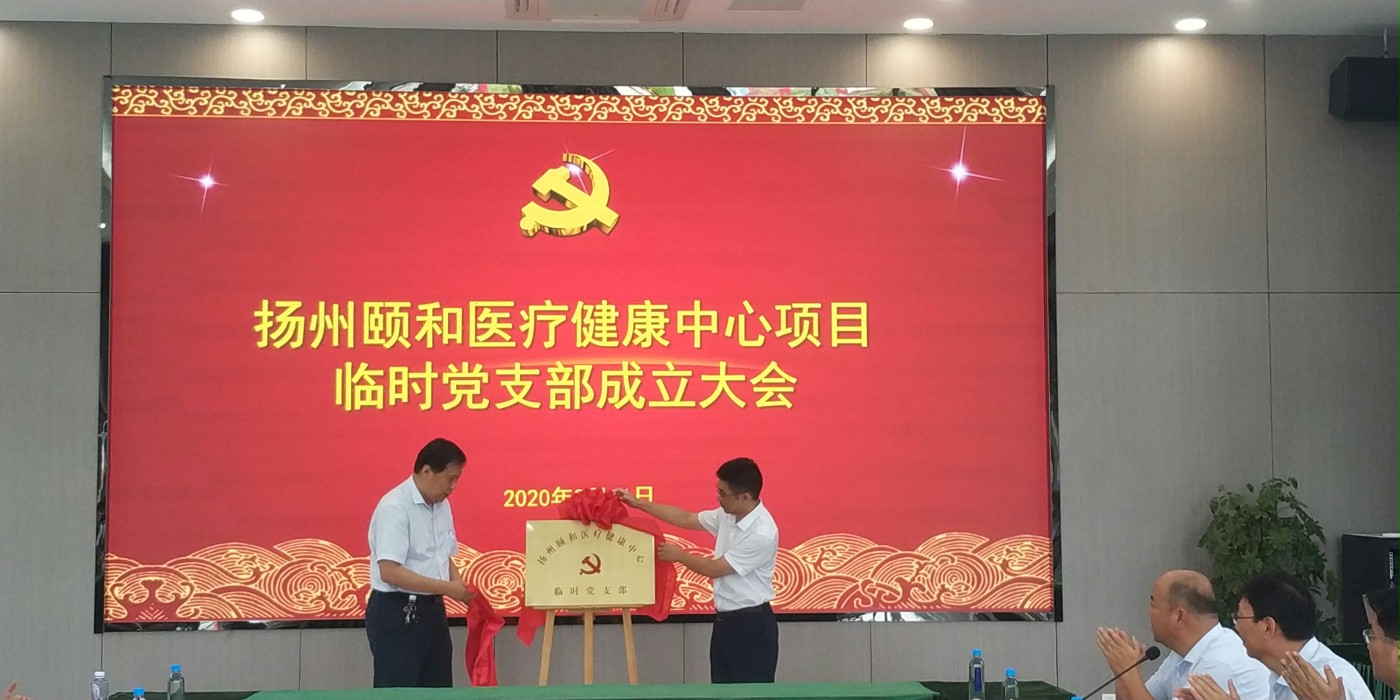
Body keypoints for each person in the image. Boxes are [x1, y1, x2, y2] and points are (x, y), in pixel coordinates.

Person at [617, 457, 780, 683]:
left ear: (744, 497)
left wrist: (680, 555)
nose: (717, 498)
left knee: (750, 694)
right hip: (724, 623)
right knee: (721, 691)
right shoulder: (728, 515)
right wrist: (638, 504)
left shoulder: (761, 533)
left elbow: (716, 568)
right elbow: (685, 518)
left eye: (722, 493)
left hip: (751, 626)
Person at [365, 437, 475, 688]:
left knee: (438, 688)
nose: (454, 486)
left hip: (433, 610)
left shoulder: (441, 506)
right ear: (426, 471)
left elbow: (442, 555)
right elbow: (390, 572)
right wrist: (448, 588)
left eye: (457, 479)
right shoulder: (395, 507)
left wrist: (461, 587)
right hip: (397, 611)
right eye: (450, 478)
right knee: (399, 690)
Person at [1181, 584, 1400, 700]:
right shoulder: (1282, 672)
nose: (1235, 626)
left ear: (1267, 626)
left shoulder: (1329, 679)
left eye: (1239, 617)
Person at [1097, 570, 1270, 700]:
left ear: (1179, 617)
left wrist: (1129, 673)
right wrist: (1122, 671)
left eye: (1154, 605)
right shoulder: (1182, 654)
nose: (1148, 613)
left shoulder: (1221, 663)